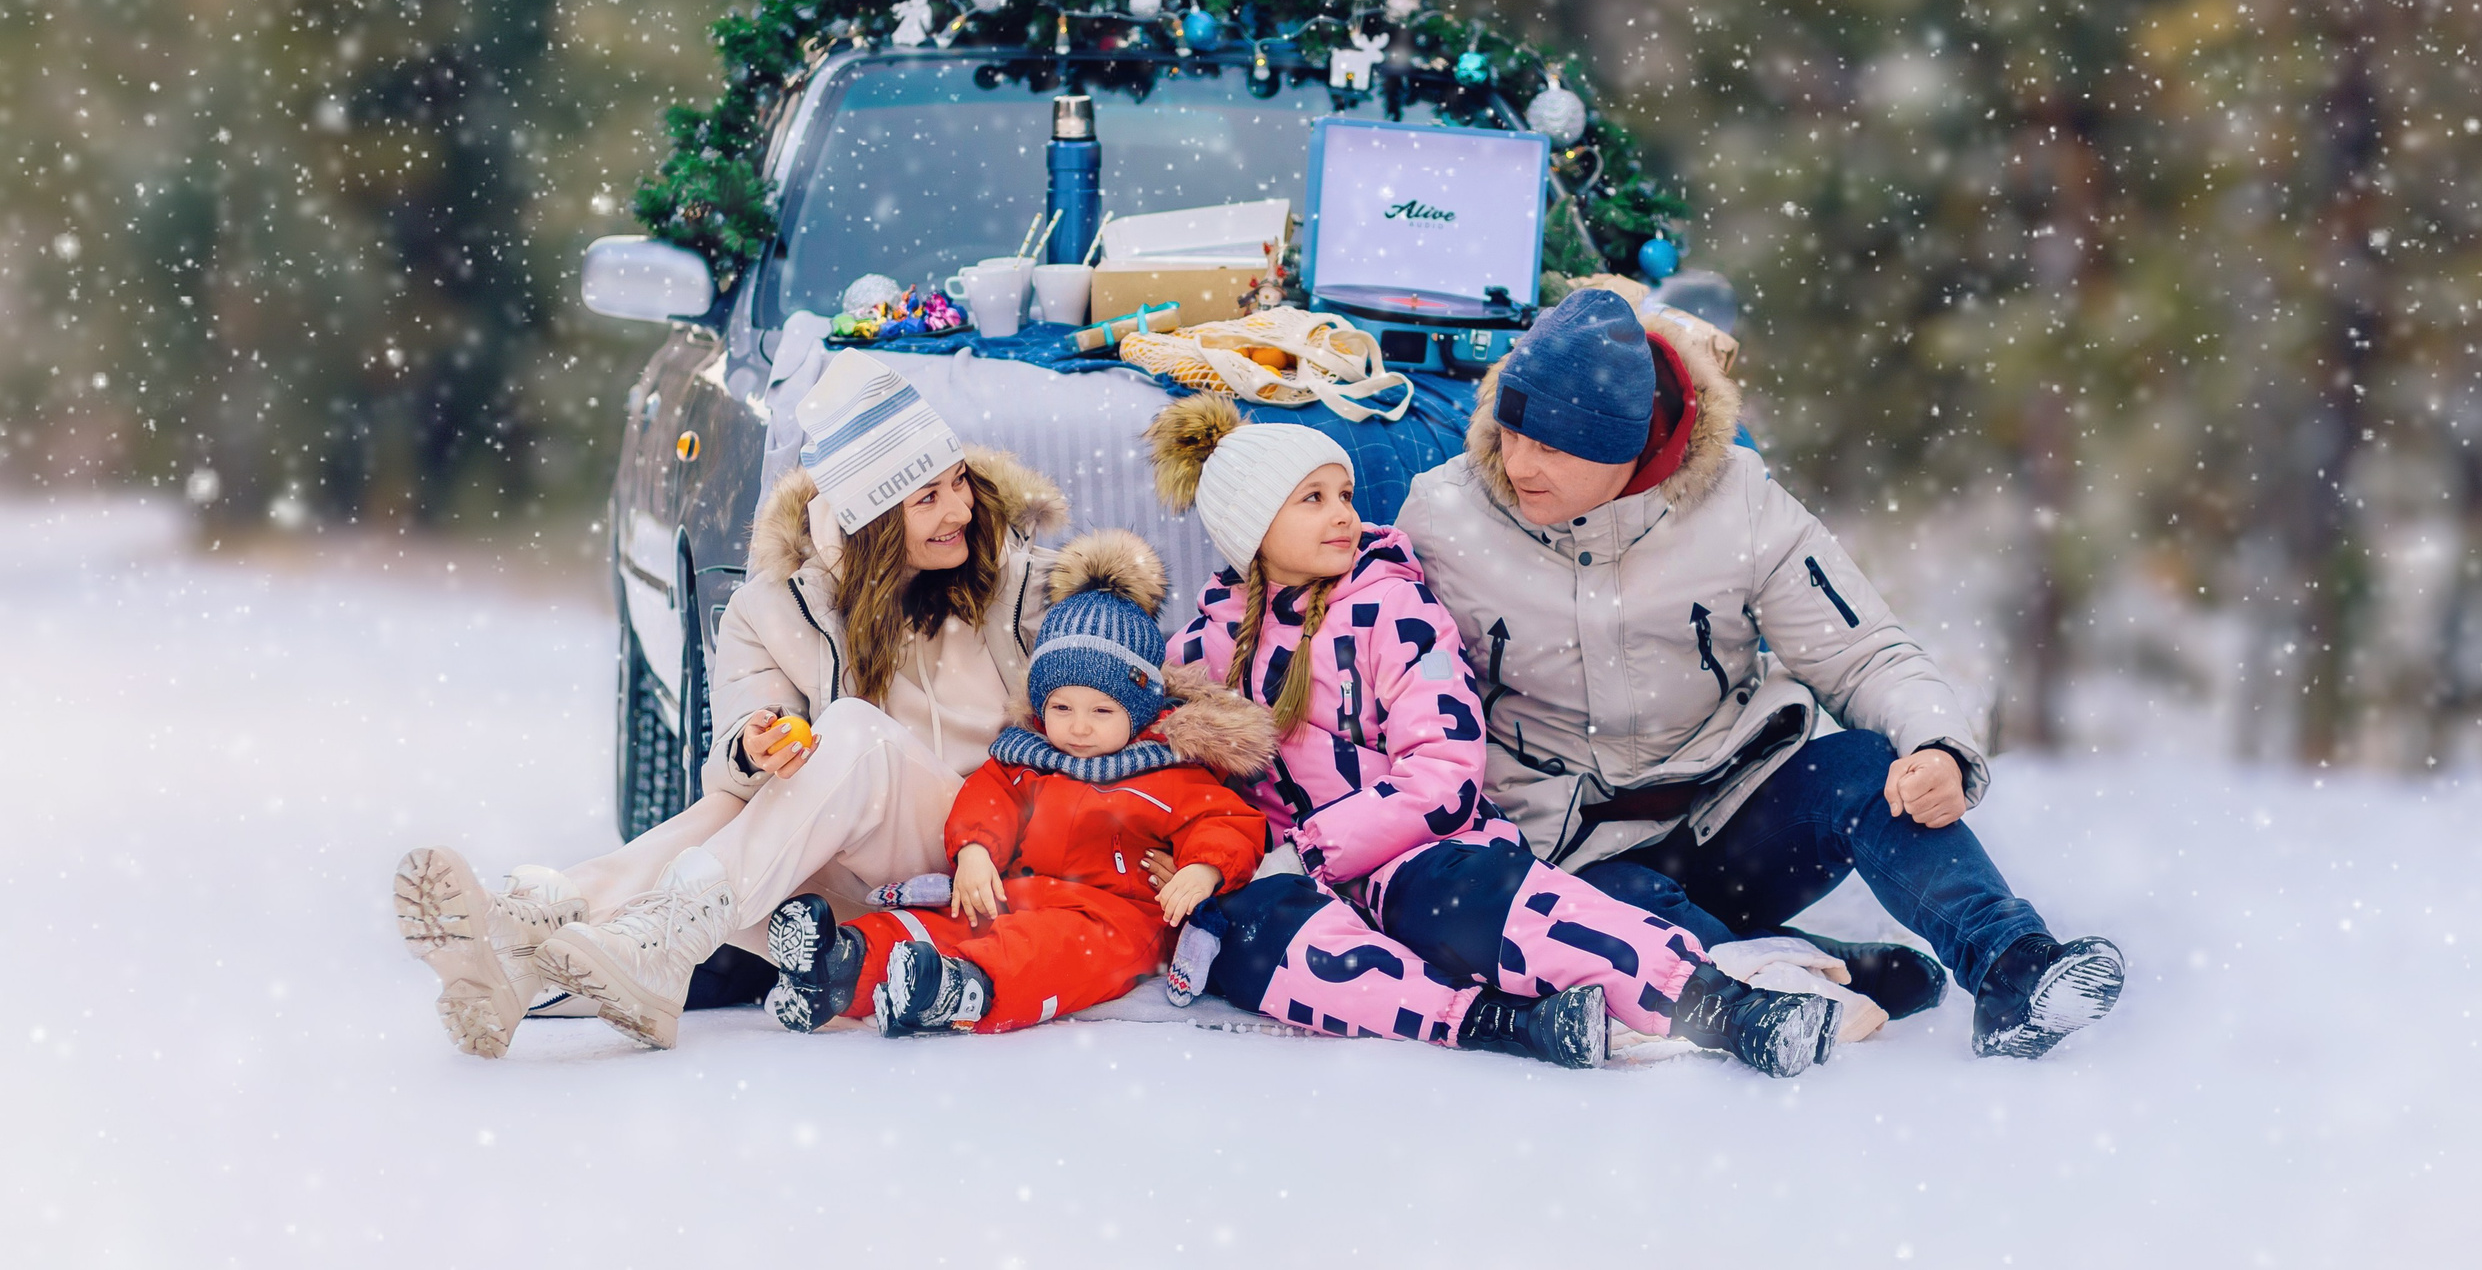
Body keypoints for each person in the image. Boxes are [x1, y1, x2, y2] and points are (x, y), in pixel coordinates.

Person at [1394, 278, 2126, 1059]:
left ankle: (2014, 967)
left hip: (1737, 809)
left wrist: (1939, 747)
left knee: (1870, 770)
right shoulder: (1443, 519)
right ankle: (1806, 975)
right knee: (1617, 923)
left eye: (1553, 446)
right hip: (1575, 847)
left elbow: (1862, 650)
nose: (1519, 463)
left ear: (1629, 443)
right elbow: (1389, 687)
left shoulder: (1738, 500)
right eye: (1511, 432)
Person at [391, 349, 1073, 1055]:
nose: (960, 508)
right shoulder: (771, 610)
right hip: (838, 895)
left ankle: (557, 918)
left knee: (852, 733)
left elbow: (1108, 690)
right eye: (927, 498)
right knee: (732, 804)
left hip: (980, 859)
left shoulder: (1015, 584)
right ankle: (517, 969)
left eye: (957, 481)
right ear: (869, 520)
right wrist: (755, 745)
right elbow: (730, 767)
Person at [1143, 394, 1843, 1077]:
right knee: (1247, 943)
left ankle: (1726, 1006)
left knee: (1499, 911)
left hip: (1419, 854)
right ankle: (1503, 1022)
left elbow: (1444, 773)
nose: (1344, 515)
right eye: (1313, 499)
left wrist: (1311, 851)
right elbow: (1145, 740)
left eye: (1345, 494)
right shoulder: (1207, 641)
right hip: (1291, 879)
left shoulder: (1393, 607)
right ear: (1250, 529)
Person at [758, 531, 1274, 1035]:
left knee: (1050, 949)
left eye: (1101, 711)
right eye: (1061, 707)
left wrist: (1203, 869)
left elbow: (1225, 820)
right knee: (948, 919)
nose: (1078, 726)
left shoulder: (1167, 770)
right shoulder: (1028, 759)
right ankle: (842, 965)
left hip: (1114, 917)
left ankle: (964, 988)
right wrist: (976, 853)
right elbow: (988, 797)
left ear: (1139, 712)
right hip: (1019, 892)